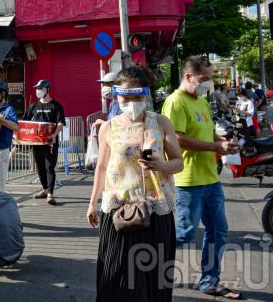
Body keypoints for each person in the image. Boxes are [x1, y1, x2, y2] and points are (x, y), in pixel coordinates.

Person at [86, 67, 183, 302]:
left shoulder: (160, 122)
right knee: (116, 275)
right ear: (116, 96)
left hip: (156, 210)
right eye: (125, 97)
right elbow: (102, 167)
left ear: (146, 95)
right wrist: (92, 204)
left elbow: (178, 162)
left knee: (154, 276)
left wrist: (161, 165)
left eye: (137, 97)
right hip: (119, 211)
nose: (131, 103)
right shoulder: (108, 127)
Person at [162, 56, 242, 300]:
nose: (209, 84)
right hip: (189, 181)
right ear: (188, 77)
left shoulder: (202, 102)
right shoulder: (176, 102)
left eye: (210, 79)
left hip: (211, 179)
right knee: (184, 233)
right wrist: (214, 147)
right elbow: (178, 139)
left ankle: (210, 282)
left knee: (218, 230)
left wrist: (224, 144)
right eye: (204, 79)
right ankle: (140, 263)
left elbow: (208, 135)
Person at [22, 79, 65, 205]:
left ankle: (50, 193)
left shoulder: (56, 106)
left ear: (47, 90)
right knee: (40, 167)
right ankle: (44, 189)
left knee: (49, 167)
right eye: (36, 89)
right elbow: (25, 122)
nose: (38, 91)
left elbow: (61, 122)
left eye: (40, 88)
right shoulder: (33, 106)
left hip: (51, 142)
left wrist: (54, 134)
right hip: (36, 143)